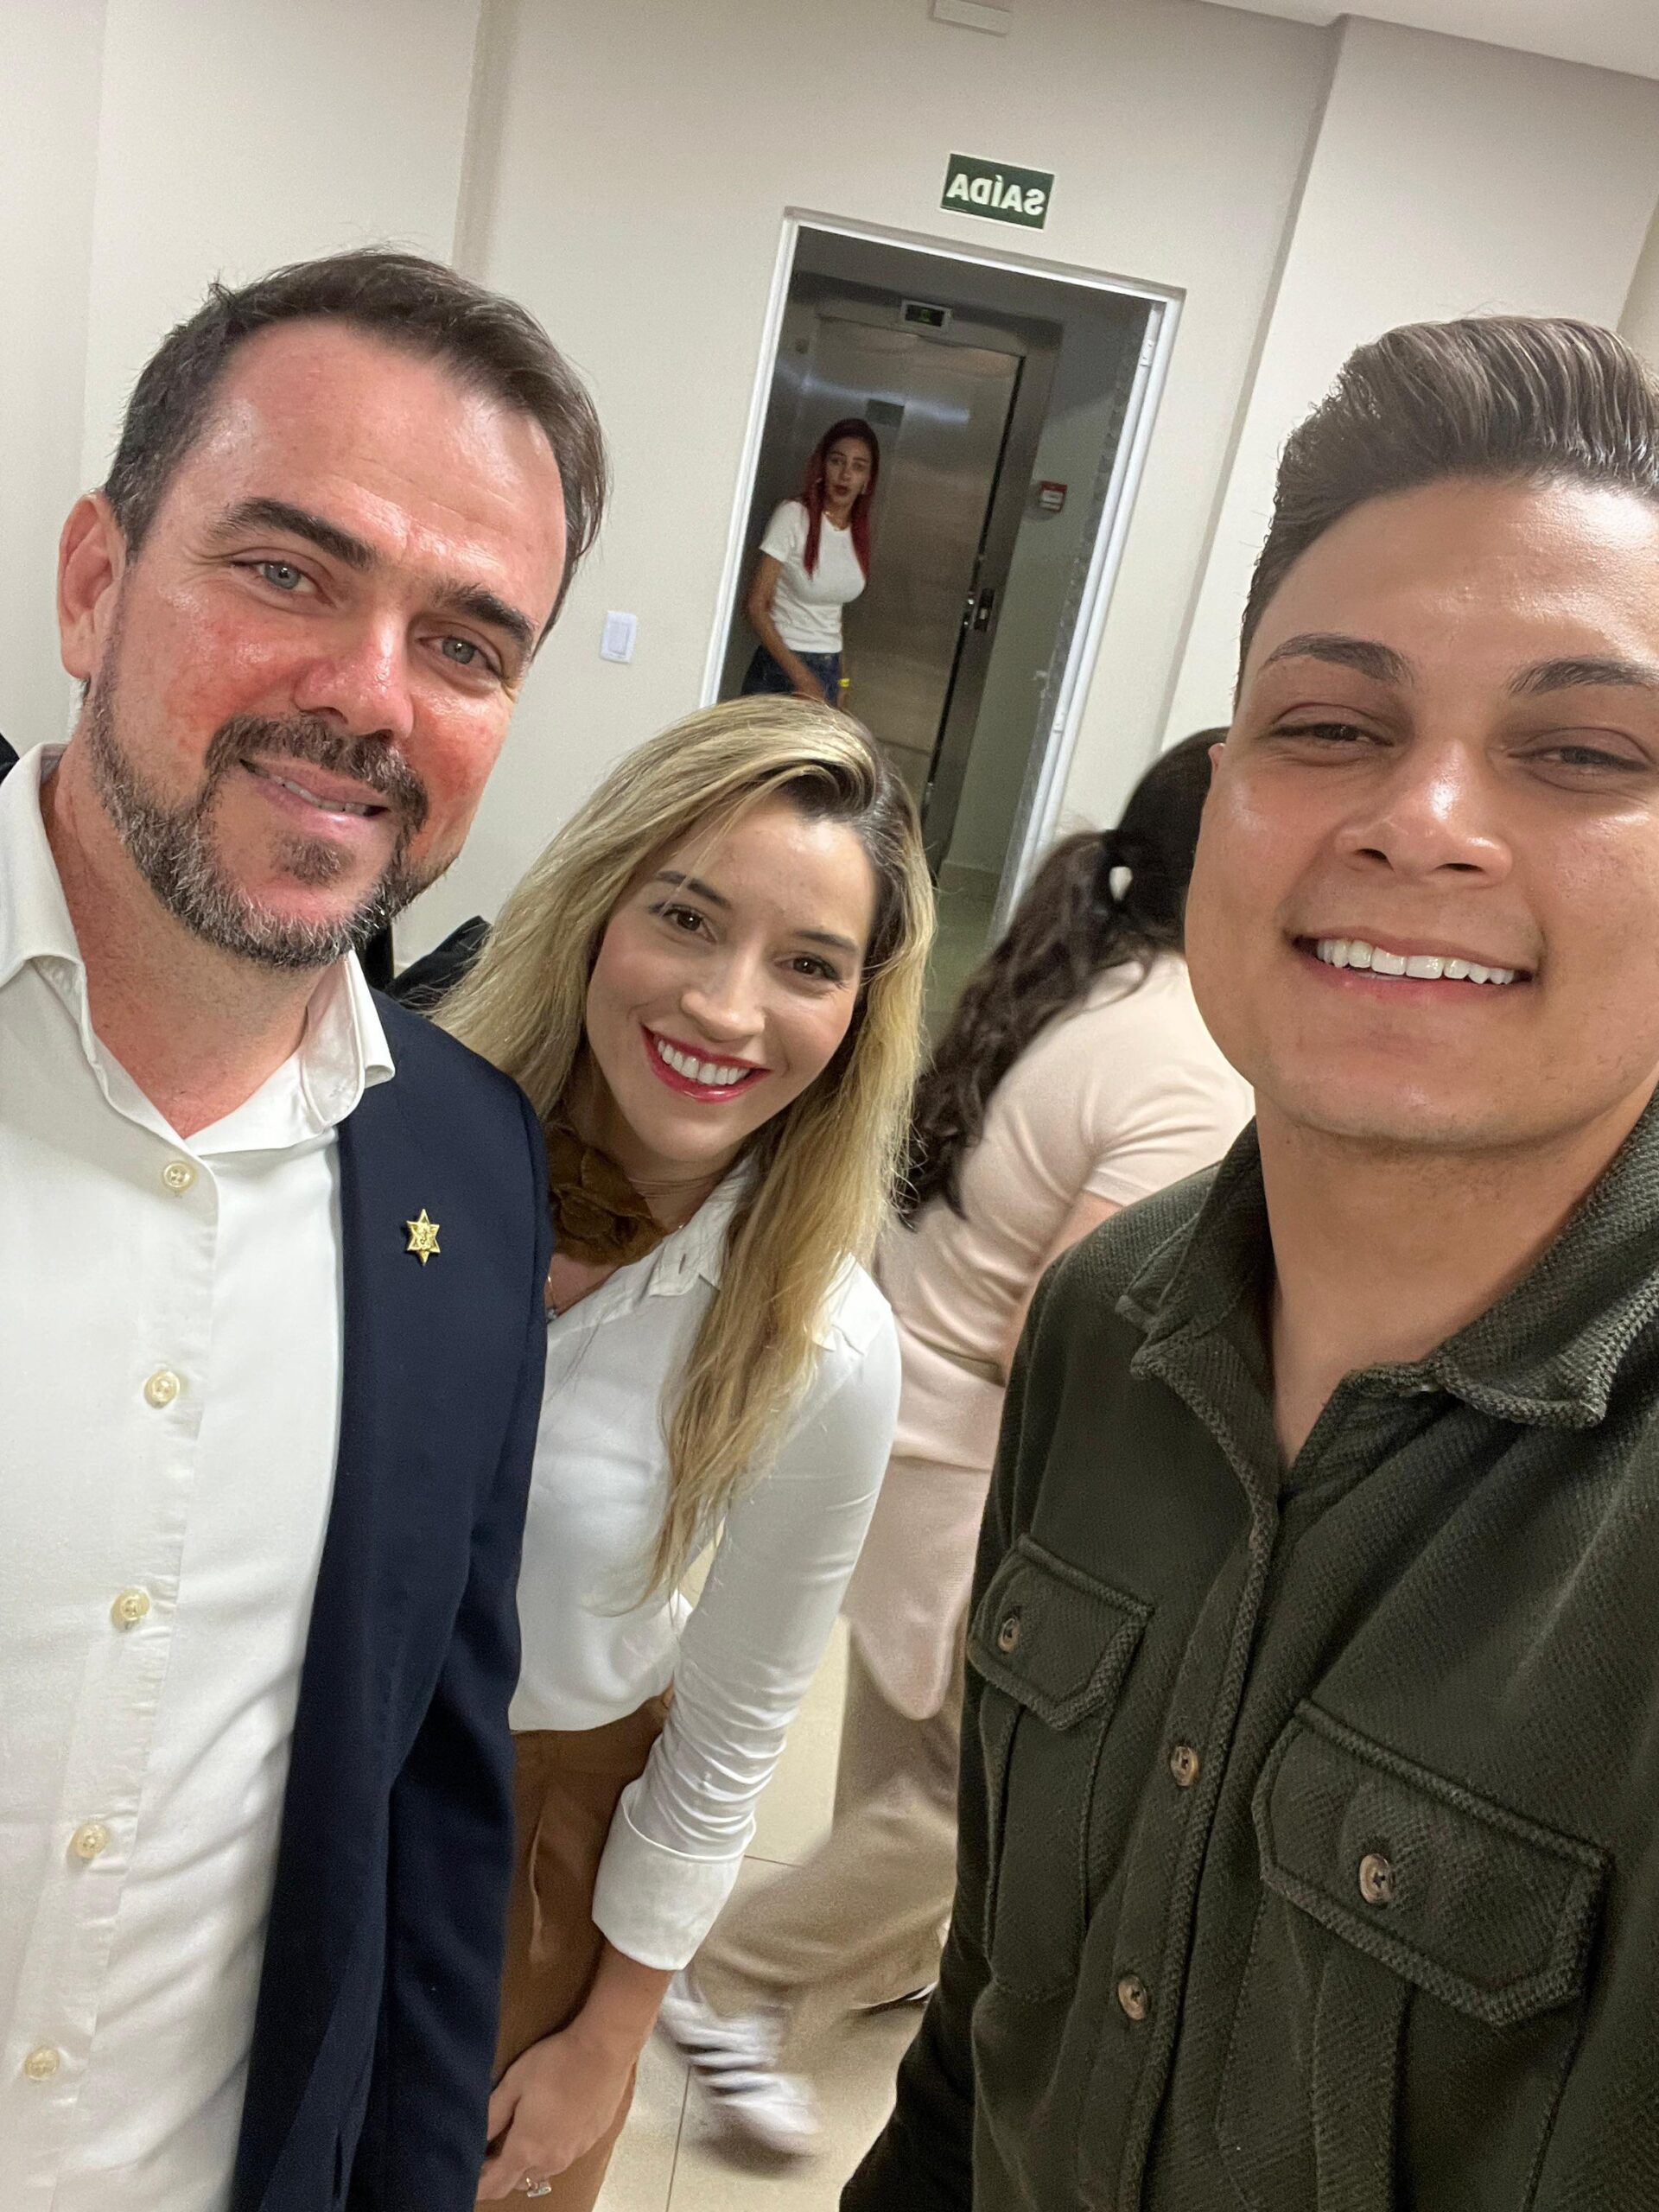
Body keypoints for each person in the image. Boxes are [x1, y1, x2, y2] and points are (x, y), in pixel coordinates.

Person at [843, 314, 1659, 2212]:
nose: (1421, 822)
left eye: (1581, 750)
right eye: (1331, 725)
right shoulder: (1099, 1322)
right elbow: (988, 2037)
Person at [0, 248, 606, 2212]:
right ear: (92, 582)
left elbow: (428, 1810)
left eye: (468, 644)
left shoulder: (468, 1170)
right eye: (286, 570)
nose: (366, 695)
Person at [659, 733, 1253, 2152]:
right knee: (972, 1805)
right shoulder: (1193, 1065)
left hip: (909, 1435)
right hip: (976, 1465)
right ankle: (729, 1975)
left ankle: (862, 1968)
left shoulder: (1098, 988)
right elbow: (1078, 1323)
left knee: (908, 1752)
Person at [437, 696, 934, 2207]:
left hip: (525, 1850)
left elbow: (729, 1738)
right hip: (259, 1781)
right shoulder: (390, 1150)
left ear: (857, 1014)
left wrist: (606, 2042)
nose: (728, 1009)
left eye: (809, 966)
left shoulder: (818, 1346)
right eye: (688, 919)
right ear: (599, 907)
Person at [741, 419, 880, 705]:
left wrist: (842, 680)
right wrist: (802, 678)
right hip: (781, 668)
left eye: (858, 467)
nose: (845, 474)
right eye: (837, 461)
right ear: (822, 466)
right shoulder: (793, 516)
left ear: (867, 480)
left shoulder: (857, 532)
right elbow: (755, 606)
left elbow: (833, 613)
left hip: (828, 669)